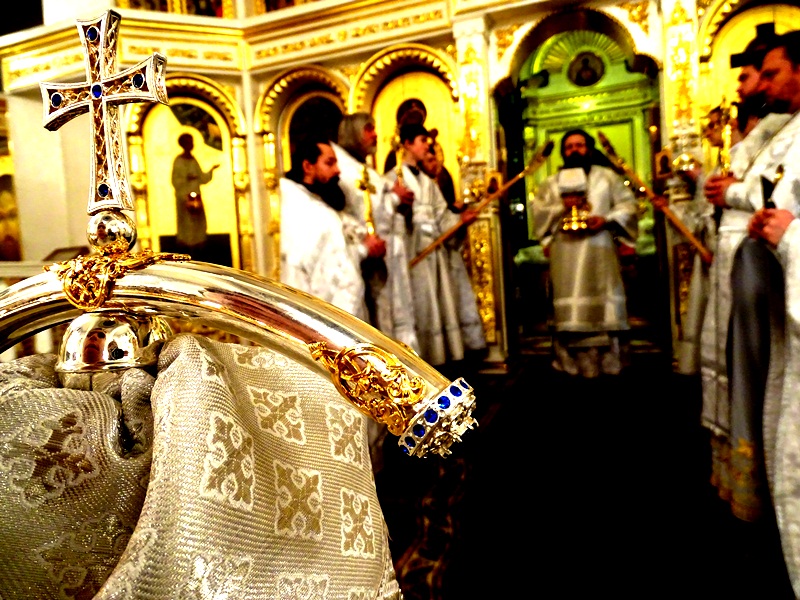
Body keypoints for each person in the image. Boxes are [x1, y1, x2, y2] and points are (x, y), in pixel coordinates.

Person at [702, 27, 797, 522]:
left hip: (773, 266)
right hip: (750, 260)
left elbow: (774, 195)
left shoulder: (784, 131)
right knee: (747, 367)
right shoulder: (778, 128)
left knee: (766, 375)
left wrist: (732, 193)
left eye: (766, 74)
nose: (756, 85)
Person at [531, 129, 638, 378]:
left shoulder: (607, 177)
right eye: (569, 147)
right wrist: (561, 206)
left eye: (579, 145)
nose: (574, 151)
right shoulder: (552, 183)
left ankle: (610, 363)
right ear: (563, 152)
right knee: (569, 308)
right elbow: (539, 212)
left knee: (604, 306)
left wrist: (606, 218)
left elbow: (628, 205)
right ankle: (570, 365)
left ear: (589, 149)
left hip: (600, 249)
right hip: (565, 253)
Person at [387, 122, 484, 370]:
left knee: (438, 306)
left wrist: (459, 221)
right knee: (419, 306)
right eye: (422, 141)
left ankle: (441, 363)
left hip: (435, 256)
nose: (426, 147)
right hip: (412, 255)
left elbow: (442, 216)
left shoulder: (429, 183)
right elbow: (389, 221)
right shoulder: (392, 179)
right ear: (407, 144)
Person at [332, 112, 417, 353]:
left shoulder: (362, 167)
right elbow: (362, 212)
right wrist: (394, 198)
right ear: (353, 133)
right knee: (380, 321)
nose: (375, 134)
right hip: (369, 257)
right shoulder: (346, 170)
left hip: (388, 254)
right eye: (368, 129)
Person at [279, 137, 384, 322]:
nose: (337, 170)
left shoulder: (300, 200)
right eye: (330, 163)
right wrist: (364, 249)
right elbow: (342, 277)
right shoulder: (314, 213)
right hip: (325, 320)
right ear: (307, 166)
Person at [171, 132, 219, 261]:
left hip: (196, 197)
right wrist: (187, 178)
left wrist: (211, 170)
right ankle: (186, 249)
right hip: (184, 198)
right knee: (187, 223)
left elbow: (202, 178)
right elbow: (175, 180)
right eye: (189, 142)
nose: (191, 144)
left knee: (198, 222)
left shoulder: (193, 159)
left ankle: (199, 247)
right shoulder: (178, 161)